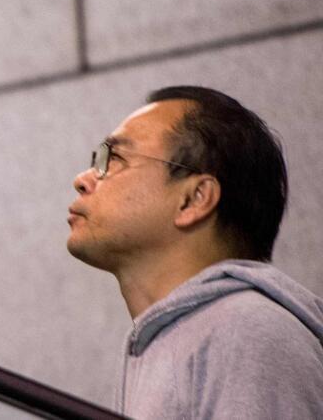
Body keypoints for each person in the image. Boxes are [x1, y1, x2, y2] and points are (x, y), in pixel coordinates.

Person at [66, 85, 323, 418]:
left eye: (113, 160)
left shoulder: (245, 333)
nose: (82, 179)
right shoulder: (162, 343)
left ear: (194, 199)